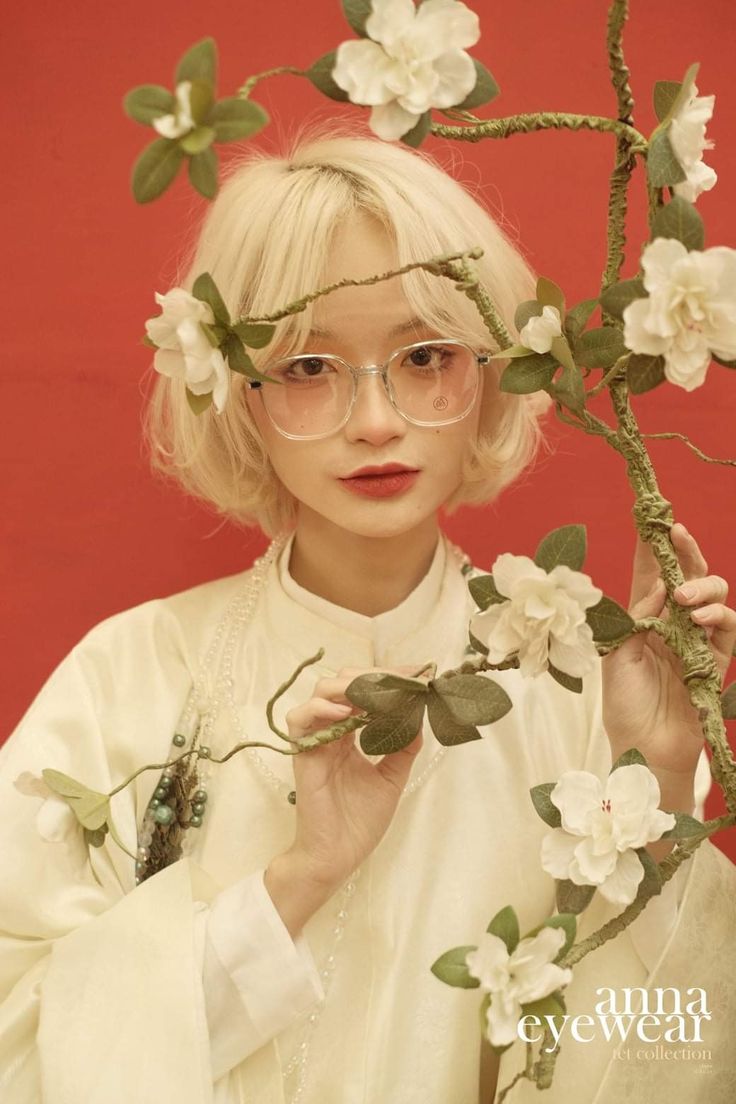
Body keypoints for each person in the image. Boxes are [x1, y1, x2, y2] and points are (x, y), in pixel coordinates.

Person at [1, 131, 735, 1104]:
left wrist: (657, 773)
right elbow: (23, 1048)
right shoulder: (129, 680)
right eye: (309, 366)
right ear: (238, 393)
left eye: (423, 355)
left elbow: (665, 1051)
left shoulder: (576, 686)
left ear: (492, 373)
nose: (376, 420)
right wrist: (300, 877)